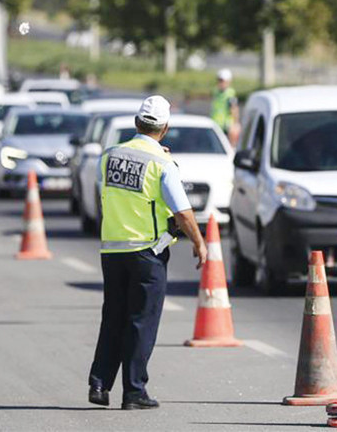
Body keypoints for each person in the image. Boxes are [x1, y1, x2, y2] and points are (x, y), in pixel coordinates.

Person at [88, 95, 208, 410]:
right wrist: (199, 242)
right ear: (164, 128)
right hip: (146, 252)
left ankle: (99, 384)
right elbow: (182, 212)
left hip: (111, 249)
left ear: (136, 123)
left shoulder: (110, 156)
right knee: (141, 321)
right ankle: (134, 391)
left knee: (113, 317)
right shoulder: (162, 164)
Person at [210, 68, 239, 136]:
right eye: (219, 80)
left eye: (222, 81)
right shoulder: (216, 92)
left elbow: (234, 109)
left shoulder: (230, 93)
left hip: (226, 127)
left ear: (228, 82)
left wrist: (235, 123)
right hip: (215, 124)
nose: (221, 83)